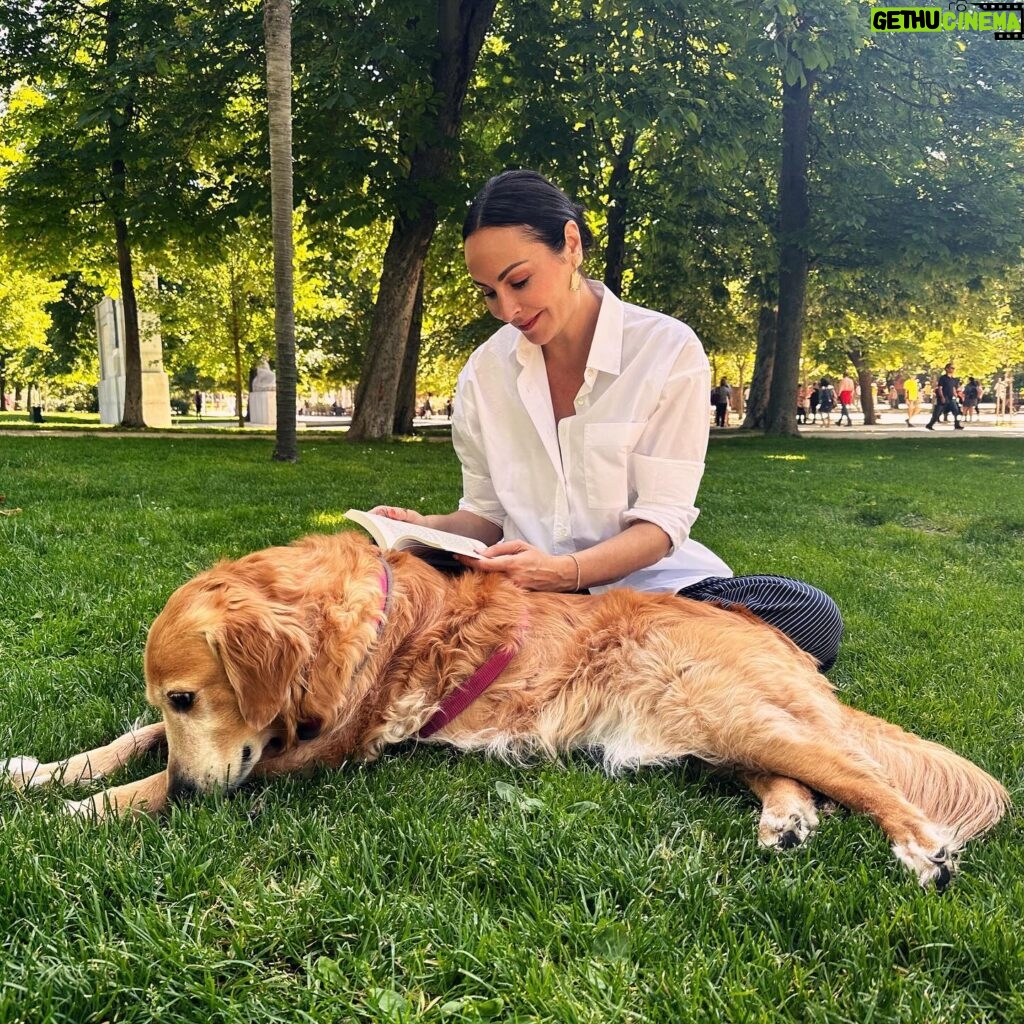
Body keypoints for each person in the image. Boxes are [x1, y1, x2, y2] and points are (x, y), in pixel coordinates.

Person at [370, 170, 843, 670]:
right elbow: (484, 517)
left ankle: (577, 660)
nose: (506, 309)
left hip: (647, 594)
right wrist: (424, 528)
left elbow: (661, 524)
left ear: (570, 244)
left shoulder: (666, 350)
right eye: (488, 292)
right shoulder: (484, 374)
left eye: (519, 281)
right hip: (525, 596)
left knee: (809, 615)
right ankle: (619, 666)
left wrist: (566, 572)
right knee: (383, 593)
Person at [925, 363, 963, 430]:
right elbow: (940, 388)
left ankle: (957, 424)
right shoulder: (943, 378)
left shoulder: (954, 379)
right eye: (951, 368)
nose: (953, 369)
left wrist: (956, 396)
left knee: (956, 412)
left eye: (953, 368)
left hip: (951, 398)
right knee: (937, 413)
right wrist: (942, 397)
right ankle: (930, 424)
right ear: (947, 369)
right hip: (943, 397)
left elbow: (954, 388)